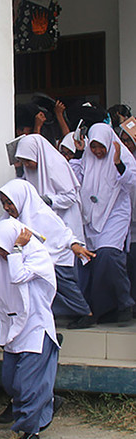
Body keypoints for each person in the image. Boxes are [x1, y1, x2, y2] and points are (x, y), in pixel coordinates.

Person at [0, 218, 59, 439]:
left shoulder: (34, 255)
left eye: (2, 247)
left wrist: (16, 248)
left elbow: (18, 276)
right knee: (11, 383)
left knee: (27, 384)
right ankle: (47, 402)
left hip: (35, 329)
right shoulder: (4, 258)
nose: (0, 253)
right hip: (12, 328)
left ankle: (32, 430)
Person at [0, 179, 95, 327]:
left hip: (56, 259)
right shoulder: (10, 219)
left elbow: (63, 233)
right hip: (35, 265)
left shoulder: (42, 214)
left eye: (9, 203)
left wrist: (74, 245)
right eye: (3, 203)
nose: (6, 207)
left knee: (65, 288)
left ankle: (86, 313)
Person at [70, 123, 136, 323]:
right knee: (88, 260)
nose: (98, 151)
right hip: (90, 217)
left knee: (108, 255)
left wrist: (118, 164)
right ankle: (97, 308)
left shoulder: (122, 157)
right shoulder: (87, 157)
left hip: (114, 215)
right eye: (94, 146)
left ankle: (123, 303)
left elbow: (131, 182)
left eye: (101, 147)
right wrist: (80, 152)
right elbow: (73, 177)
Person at [14, 133, 85, 241]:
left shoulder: (57, 165)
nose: (26, 165)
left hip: (64, 220)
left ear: (37, 154)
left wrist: (48, 200)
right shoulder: (30, 170)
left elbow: (71, 196)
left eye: (28, 161)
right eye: (23, 162)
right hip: (45, 224)